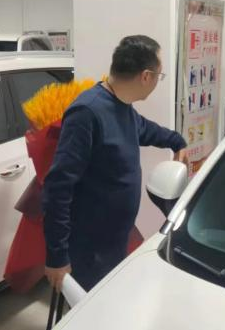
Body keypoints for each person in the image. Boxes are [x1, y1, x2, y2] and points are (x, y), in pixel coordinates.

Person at [43, 35, 187, 292]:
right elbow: (58, 187)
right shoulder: (87, 112)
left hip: (113, 242)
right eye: (159, 75)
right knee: (91, 312)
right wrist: (57, 256)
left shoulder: (123, 106)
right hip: (88, 249)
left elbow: (145, 129)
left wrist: (177, 141)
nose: (158, 81)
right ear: (146, 76)